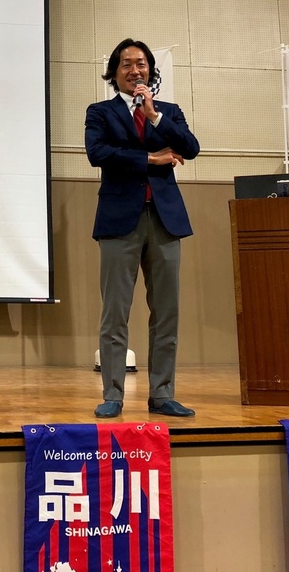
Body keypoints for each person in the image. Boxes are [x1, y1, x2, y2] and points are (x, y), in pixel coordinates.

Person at [84, 38, 200, 419]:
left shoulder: (168, 112)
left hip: (165, 220)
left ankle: (162, 394)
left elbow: (191, 147)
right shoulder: (100, 112)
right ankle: (113, 395)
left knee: (167, 312)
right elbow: (98, 153)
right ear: (114, 73)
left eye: (141, 64)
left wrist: (154, 117)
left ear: (150, 70)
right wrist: (150, 158)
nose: (135, 70)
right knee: (115, 312)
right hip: (119, 221)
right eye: (127, 64)